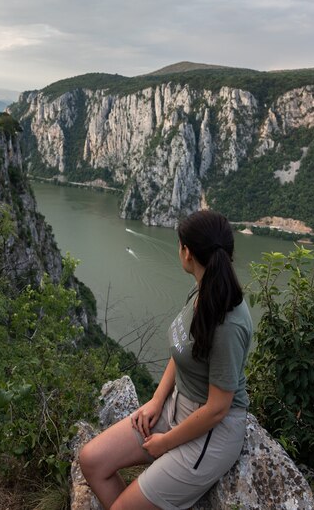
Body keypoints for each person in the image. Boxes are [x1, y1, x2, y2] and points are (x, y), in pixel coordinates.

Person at [79, 210, 253, 510]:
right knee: (92, 460)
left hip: (210, 434)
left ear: (187, 252)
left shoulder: (229, 323)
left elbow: (217, 409)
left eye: (179, 244)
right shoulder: (202, 292)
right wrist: (156, 401)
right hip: (176, 405)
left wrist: (167, 442)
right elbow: (182, 350)